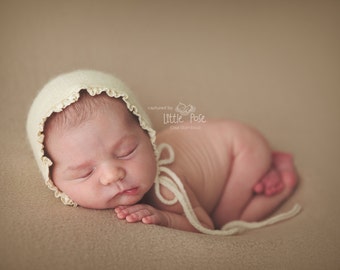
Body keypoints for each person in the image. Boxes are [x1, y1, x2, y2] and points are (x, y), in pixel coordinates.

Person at [27, 70, 300, 235]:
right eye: (85, 172)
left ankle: (283, 181)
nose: (112, 175)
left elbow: (202, 224)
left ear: (146, 134)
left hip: (241, 148)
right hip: (221, 137)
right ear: (55, 183)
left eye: (126, 151)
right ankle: (270, 166)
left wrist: (166, 218)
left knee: (225, 219)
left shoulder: (166, 190)